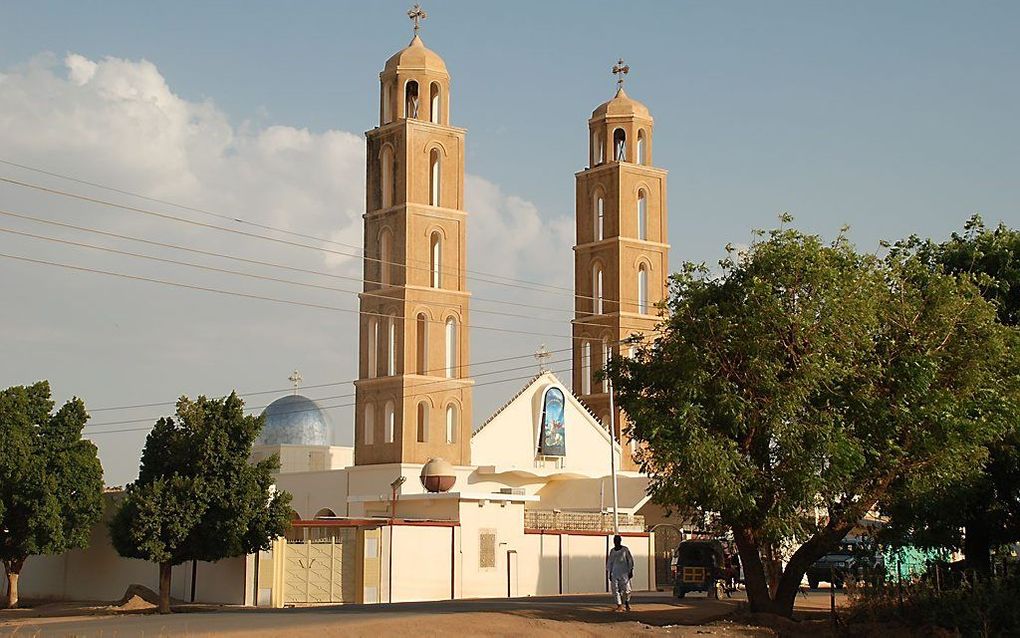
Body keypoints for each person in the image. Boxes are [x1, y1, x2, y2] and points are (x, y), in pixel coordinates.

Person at [606, 534, 635, 612]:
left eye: (617, 540)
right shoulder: (612, 551)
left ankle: (627, 603)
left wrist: (631, 570)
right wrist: (610, 573)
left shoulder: (625, 550)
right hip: (615, 573)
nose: (616, 542)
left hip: (624, 573)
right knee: (615, 589)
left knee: (627, 590)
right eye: (615, 541)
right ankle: (619, 605)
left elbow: (630, 560)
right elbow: (610, 562)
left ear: (620, 541)